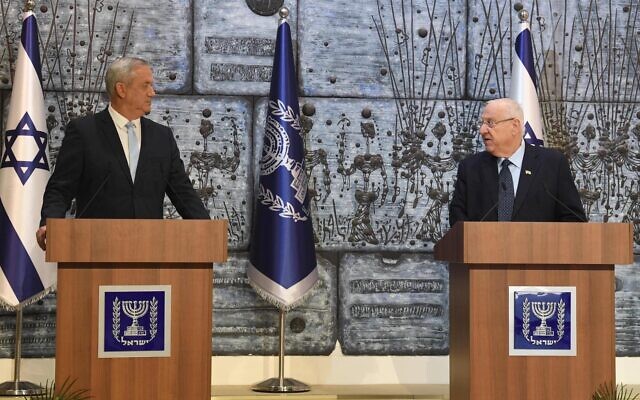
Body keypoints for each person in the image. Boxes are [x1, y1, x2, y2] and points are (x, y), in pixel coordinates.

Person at [36, 57, 209, 250]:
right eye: (146, 86)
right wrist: (49, 223)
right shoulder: (84, 132)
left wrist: (207, 230)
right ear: (121, 89)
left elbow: (182, 192)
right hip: (95, 249)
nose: (152, 92)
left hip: (150, 250)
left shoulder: (162, 137)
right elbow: (61, 188)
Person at [449, 98, 586, 226]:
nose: (482, 130)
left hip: (539, 250)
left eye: (490, 123)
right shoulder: (470, 167)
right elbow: (458, 222)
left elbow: (574, 219)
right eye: (482, 123)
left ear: (514, 126)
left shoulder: (552, 164)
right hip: (484, 251)